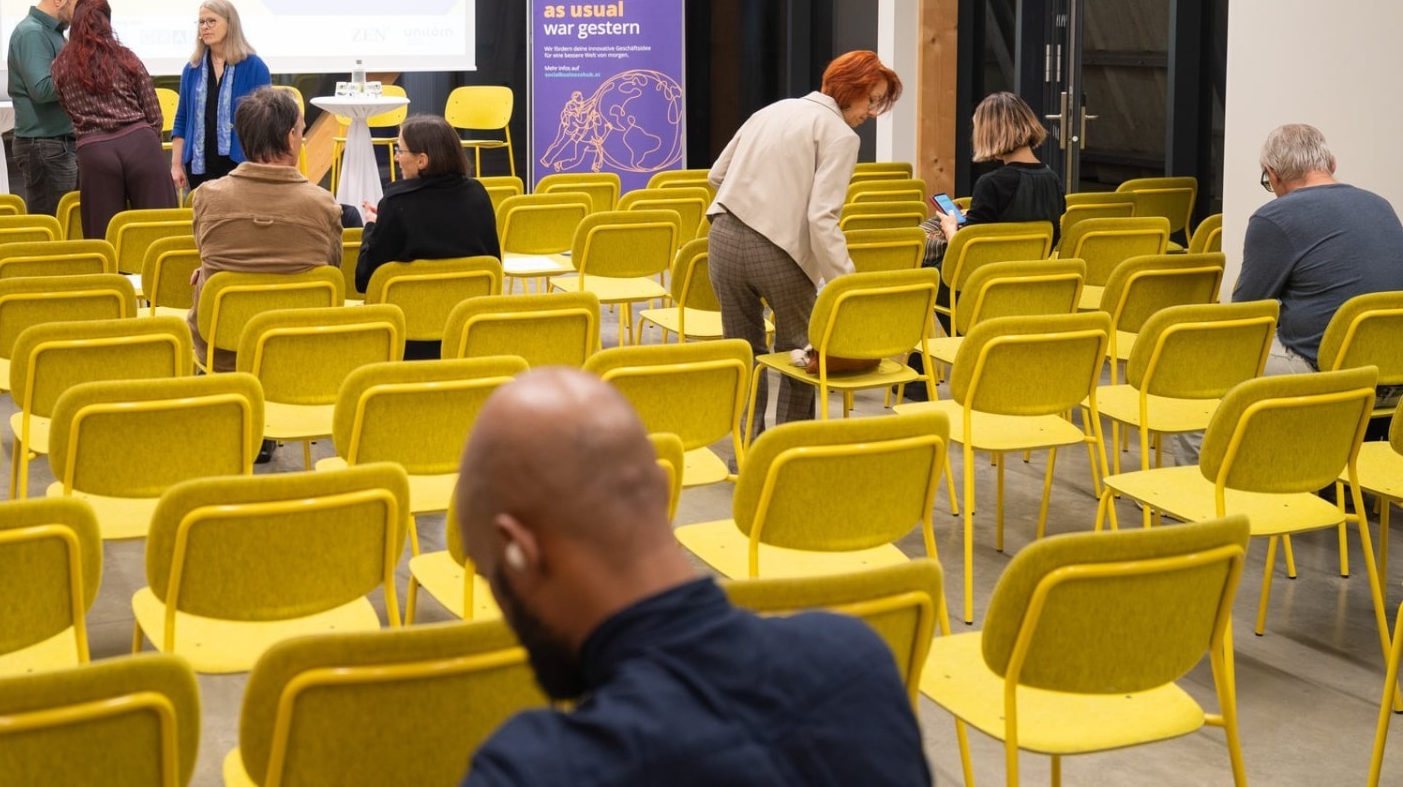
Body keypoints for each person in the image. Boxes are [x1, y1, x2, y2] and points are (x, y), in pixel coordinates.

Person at [456, 367, 931, 786]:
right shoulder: (859, 662)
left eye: (493, 578)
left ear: (520, 554)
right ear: (664, 493)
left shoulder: (534, 772)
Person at [706, 50, 901, 431]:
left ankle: (746, 448)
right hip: (779, 253)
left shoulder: (771, 110)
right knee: (800, 355)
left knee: (743, 351)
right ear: (849, 87)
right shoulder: (840, 136)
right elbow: (821, 218)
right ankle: (790, 446)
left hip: (723, 238)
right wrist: (847, 285)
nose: (872, 112)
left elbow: (716, 175)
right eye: (871, 99)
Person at [188, 86, 343, 376]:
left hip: (221, 359)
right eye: (301, 130)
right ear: (291, 137)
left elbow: (209, 252)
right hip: (300, 356)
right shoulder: (323, 205)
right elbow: (331, 270)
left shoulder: (206, 197)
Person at [1234, 124, 1403, 387]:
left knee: (1216, 355)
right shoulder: (1381, 205)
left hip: (1327, 376)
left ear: (1273, 174)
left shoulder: (1274, 217)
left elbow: (1244, 315)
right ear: (1332, 164)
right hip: (1393, 371)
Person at [355, 115, 501, 356]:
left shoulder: (396, 204)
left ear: (421, 160)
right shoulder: (478, 195)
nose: (396, 158)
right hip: (468, 339)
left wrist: (372, 227)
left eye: (400, 150)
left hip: (403, 345)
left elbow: (364, 279)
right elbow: (494, 264)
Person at [50, 0, 176, 240]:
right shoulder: (126, 57)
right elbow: (153, 113)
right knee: (160, 231)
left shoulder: (59, 66)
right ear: (107, 22)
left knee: (105, 237)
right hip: (140, 143)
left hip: (94, 150)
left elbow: (69, 110)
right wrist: (145, 140)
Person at [922, 91, 1063, 267]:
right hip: (1025, 277)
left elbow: (966, 255)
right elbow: (1051, 237)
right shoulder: (1053, 180)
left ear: (988, 134)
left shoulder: (991, 184)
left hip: (982, 279)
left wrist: (950, 229)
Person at [169, 0, 272, 193]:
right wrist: (176, 165)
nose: (205, 27)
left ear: (230, 25)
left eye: (212, 21)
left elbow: (266, 124)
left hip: (242, 164)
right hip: (199, 166)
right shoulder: (192, 69)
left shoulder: (254, 67)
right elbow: (182, 119)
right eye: (201, 22)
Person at [6, 0, 86, 215]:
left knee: (65, 224)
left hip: (56, 145)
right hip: (46, 146)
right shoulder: (33, 33)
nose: (82, 14)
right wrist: (84, 76)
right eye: (79, 5)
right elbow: (41, 89)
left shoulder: (52, 34)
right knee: (52, 227)